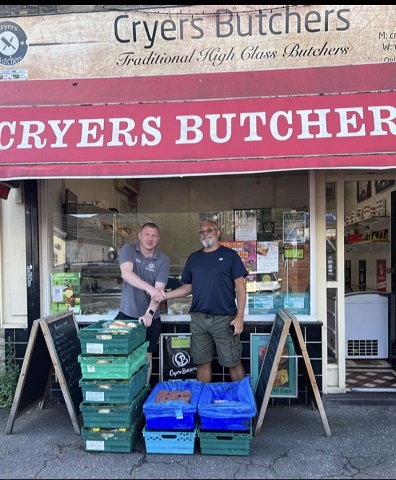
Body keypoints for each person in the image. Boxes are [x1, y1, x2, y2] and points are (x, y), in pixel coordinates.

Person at [156, 218, 248, 383]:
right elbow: (188, 287)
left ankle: (244, 402)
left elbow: (241, 289)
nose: (205, 233)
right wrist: (165, 295)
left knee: (233, 362)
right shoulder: (194, 258)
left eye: (209, 230)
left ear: (218, 232)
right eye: (202, 231)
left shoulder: (230, 256)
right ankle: (203, 403)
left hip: (224, 319)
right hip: (199, 319)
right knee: (202, 363)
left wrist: (240, 317)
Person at [115, 222, 170, 384]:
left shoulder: (163, 260)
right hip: (126, 314)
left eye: (154, 235)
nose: (150, 238)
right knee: (122, 356)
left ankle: (142, 394)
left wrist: (149, 313)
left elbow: (159, 291)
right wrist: (150, 289)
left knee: (146, 356)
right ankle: (123, 394)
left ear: (158, 239)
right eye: (147, 234)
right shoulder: (128, 250)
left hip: (150, 318)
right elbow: (126, 273)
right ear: (139, 235)